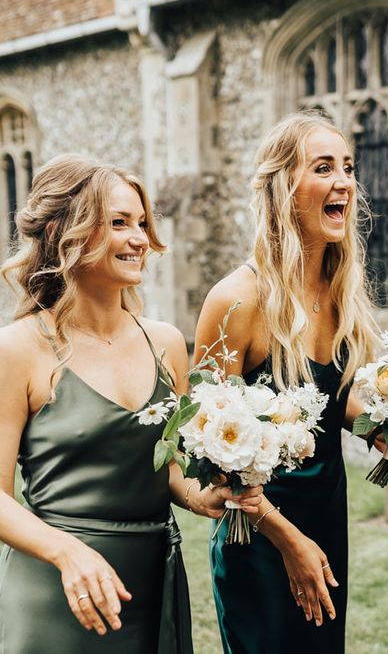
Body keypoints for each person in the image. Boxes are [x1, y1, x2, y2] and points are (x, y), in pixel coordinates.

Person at [0, 154, 262, 653]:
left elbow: (169, 468)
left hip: (151, 583)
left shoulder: (165, 344)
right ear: (64, 233)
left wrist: (201, 495)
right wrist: (66, 553)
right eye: (119, 223)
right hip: (58, 591)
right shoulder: (16, 349)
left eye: (141, 223)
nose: (140, 238)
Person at [195, 111, 379, 654]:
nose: (344, 181)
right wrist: (288, 540)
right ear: (283, 189)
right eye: (324, 168)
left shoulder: (339, 291)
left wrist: (386, 427)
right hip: (256, 531)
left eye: (347, 167)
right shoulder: (237, 299)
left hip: (326, 514)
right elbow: (207, 449)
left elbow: (331, 400)